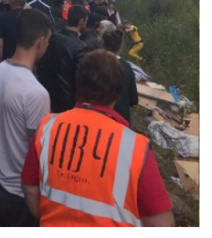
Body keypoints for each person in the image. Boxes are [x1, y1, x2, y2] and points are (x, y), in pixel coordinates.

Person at [21, 50, 174, 227]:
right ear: (118, 93)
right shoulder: (135, 149)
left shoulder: (47, 128)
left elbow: (30, 188)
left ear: (78, 85)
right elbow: (162, 223)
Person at [0, 8, 52, 226]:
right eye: (48, 41)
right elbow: (38, 152)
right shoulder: (36, 93)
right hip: (21, 196)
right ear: (40, 41)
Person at [37, 5, 89, 113]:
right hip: (68, 104)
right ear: (81, 21)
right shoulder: (81, 48)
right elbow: (81, 81)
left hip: (46, 96)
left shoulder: (52, 38)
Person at [102, 29, 138, 124]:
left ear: (102, 44)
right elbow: (133, 99)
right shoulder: (127, 67)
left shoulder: (94, 63)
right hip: (121, 118)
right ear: (120, 46)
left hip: (97, 116)